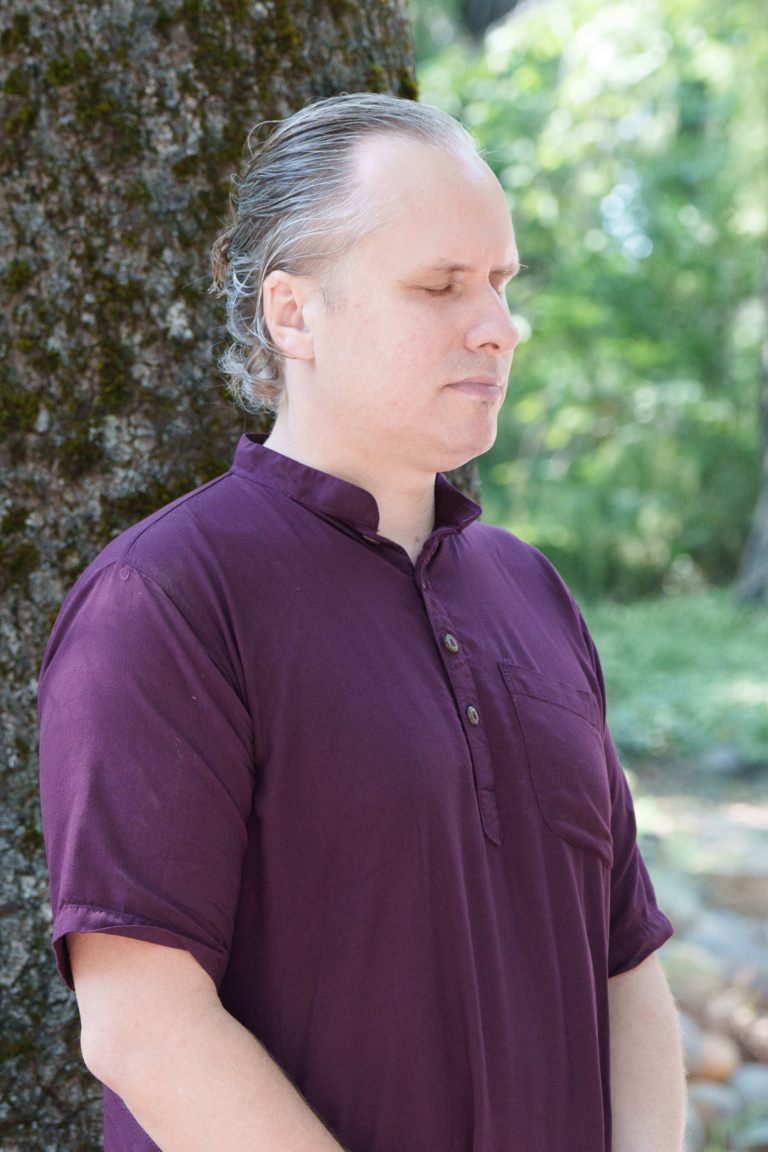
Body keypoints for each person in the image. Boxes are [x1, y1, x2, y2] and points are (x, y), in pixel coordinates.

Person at [38, 93, 686, 1152]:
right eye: (439, 285)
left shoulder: (531, 591)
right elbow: (143, 1024)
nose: (497, 326)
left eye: (502, 282)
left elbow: (625, 956)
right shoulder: (165, 601)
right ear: (293, 314)